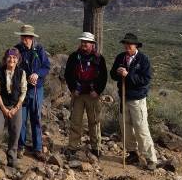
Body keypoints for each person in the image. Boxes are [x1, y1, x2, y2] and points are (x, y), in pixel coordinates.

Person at [110, 33, 157, 171]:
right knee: (125, 127)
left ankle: (151, 159)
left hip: (137, 100)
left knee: (141, 128)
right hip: (123, 98)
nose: (126, 46)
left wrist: (128, 75)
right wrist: (118, 73)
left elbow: (145, 79)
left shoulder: (143, 60)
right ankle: (133, 153)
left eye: (129, 44)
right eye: (125, 44)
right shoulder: (120, 57)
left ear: (135, 45)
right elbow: (113, 74)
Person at [64, 32, 107, 157]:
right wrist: (72, 88)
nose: (83, 44)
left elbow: (103, 77)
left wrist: (97, 91)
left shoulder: (99, 58)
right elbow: (68, 74)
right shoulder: (74, 57)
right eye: (82, 41)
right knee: (75, 120)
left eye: (86, 42)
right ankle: (72, 146)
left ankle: (96, 147)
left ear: (92, 44)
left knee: (94, 121)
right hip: (78, 93)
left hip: (92, 94)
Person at [14, 25, 51, 160]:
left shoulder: (39, 49)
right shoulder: (16, 50)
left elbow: (46, 66)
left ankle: (38, 148)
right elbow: (11, 67)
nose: (23, 39)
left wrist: (37, 74)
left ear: (31, 37)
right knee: (21, 119)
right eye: (22, 36)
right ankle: (21, 146)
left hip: (36, 89)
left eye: (26, 37)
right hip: (21, 90)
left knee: (36, 118)